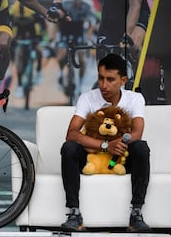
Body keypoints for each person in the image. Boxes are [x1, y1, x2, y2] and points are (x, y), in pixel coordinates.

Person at [60, 53, 151, 232]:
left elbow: (137, 132)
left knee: (141, 148)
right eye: (101, 78)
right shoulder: (88, 98)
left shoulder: (134, 99)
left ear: (123, 80)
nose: (104, 85)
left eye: (110, 79)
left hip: (121, 158)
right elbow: (71, 134)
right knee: (68, 148)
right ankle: (74, 214)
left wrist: (118, 143)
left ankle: (136, 214)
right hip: (91, 156)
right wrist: (104, 145)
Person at [9, 0, 46, 98]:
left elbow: (43, 26)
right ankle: (20, 84)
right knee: (18, 59)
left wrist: (41, 37)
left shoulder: (34, 14)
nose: (23, 19)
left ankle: (39, 72)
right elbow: (9, 25)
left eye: (25, 18)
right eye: (20, 18)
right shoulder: (13, 11)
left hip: (33, 35)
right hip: (19, 37)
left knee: (39, 51)